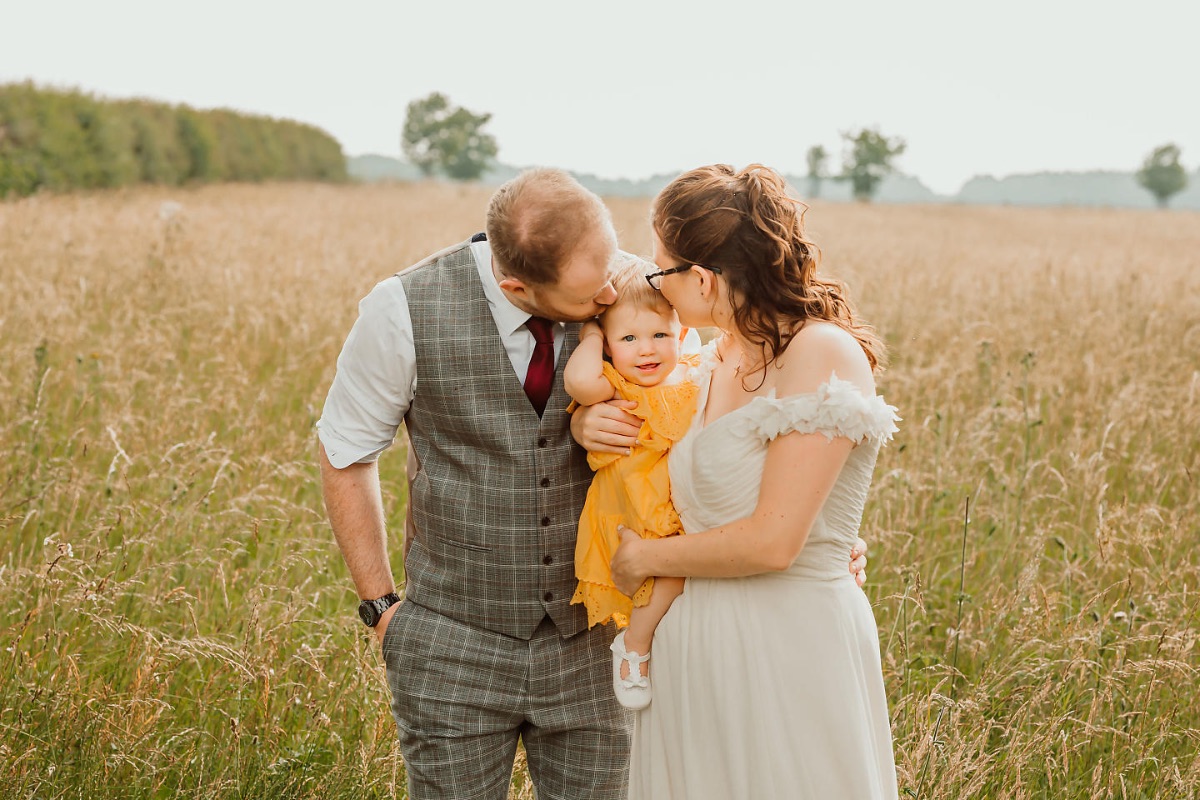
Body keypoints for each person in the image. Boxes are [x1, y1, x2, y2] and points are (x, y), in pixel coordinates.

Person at [318, 167, 869, 799]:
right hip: (452, 646)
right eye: (589, 296)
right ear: (515, 285)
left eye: (613, 263)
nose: (611, 290)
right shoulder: (402, 308)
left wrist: (819, 536)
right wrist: (382, 608)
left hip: (604, 646)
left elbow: (734, 422)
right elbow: (345, 453)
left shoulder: (648, 288)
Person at [608, 163, 900, 799]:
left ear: (705, 279)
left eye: (661, 270)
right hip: (695, 654)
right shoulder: (705, 358)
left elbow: (775, 542)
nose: (654, 286)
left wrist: (643, 558)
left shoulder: (821, 353)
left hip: (788, 647)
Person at [562, 253, 696, 710]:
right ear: (610, 348)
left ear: (680, 335)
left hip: (673, 510)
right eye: (629, 338)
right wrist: (592, 334)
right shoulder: (617, 386)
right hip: (629, 511)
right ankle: (634, 649)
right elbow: (579, 383)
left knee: (678, 571)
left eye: (660, 335)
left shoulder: (690, 380)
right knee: (660, 572)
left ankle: (637, 646)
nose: (646, 350)